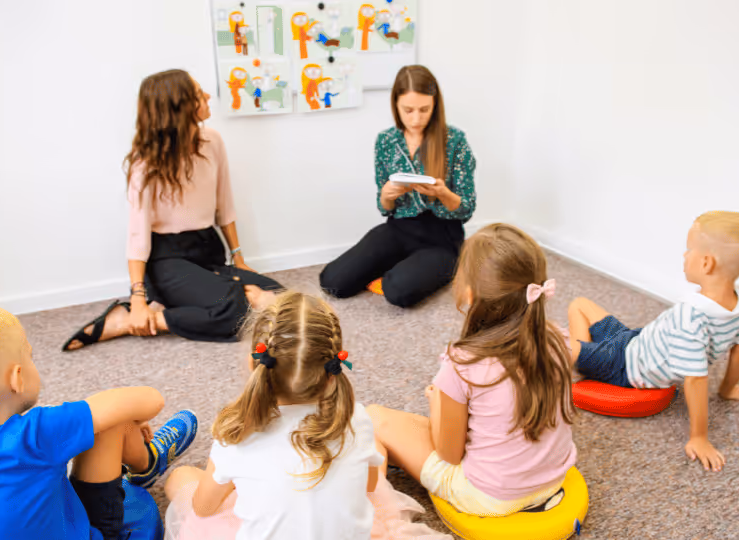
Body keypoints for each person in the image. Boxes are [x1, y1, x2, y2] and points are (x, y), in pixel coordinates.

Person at [161, 292, 451, 540]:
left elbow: (204, 508)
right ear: (332, 371)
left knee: (182, 477)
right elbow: (370, 487)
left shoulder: (235, 434)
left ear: (255, 365)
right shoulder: (355, 420)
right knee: (369, 460)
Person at [0, 305, 198, 539]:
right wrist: (131, 417)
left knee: (92, 422)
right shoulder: (36, 434)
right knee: (110, 419)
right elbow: (151, 399)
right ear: (18, 378)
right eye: (30, 356)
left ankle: (139, 456)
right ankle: (146, 462)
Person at [368, 223, 578, 517]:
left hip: (490, 497)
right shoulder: (559, 338)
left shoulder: (463, 363)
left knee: (375, 417)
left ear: (468, 293)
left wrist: (437, 401)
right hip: (554, 479)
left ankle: (377, 519)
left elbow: (449, 454)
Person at [63, 69, 281, 351]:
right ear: (179, 108)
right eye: (198, 94)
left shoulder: (212, 141)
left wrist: (238, 259)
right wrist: (138, 297)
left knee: (280, 297)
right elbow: (137, 235)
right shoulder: (146, 165)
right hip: (167, 260)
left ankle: (165, 308)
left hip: (208, 250)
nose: (206, 97)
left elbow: (224, 204)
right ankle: (136, 319)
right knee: (237, 311)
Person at [568, 211, 739, 472]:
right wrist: (728, 388)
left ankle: (583, 361)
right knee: (579, 304)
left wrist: (699, 437)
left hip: (624, 367)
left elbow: (696, 379)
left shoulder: (691, 316)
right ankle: (586, 357)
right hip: (635, 340)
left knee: (554, 344)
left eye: (689, 249)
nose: (684, 255)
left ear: (706, 263)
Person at [319, 65, 476, 308]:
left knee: (398, 292)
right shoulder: (386, 141)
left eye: (425, 110)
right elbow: (385, 208)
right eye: (408, 110)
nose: (416, 118)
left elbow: (466, 208)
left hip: (442, 237)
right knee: (333, 282)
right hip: (399, 228)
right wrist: (385, 195)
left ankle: (443, 267)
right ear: (396, 106)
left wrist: (443, 193)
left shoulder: (455, 141)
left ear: (435, 106)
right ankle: (407, 264)